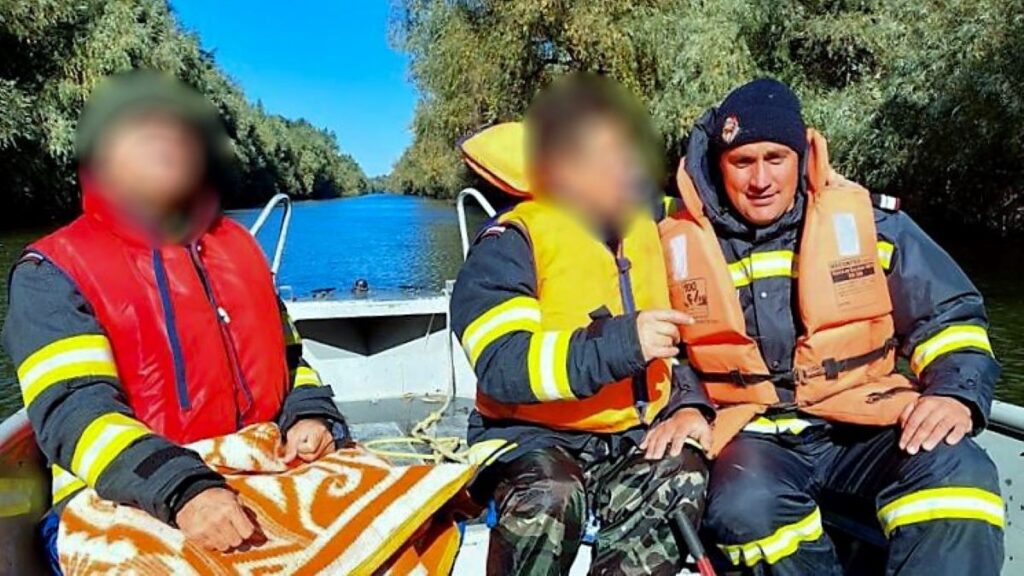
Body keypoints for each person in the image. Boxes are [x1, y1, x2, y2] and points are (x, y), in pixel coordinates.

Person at [1, 71, 348, 569]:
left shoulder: (240, 249)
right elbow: (73, 414)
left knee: (417, 526)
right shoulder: (52, 271)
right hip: (121, 498)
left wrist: (309, 415)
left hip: (262, 465)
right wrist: (184, 489)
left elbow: (292, 363)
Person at [660, 78, 1003, 574]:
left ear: (801, 157)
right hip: (754, 435)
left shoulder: (870, 222)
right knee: (745, 510)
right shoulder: (671, 242)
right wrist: (686, 404)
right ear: (719, 164)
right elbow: (659, 348)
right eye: (742, 162)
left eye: (775, 158)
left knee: (959, 476)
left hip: (865, 420)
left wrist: (954, 393)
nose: (761, 179)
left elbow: (950, 318)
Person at [450, 74, 713, 576]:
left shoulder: (647, 229)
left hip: (628, 434)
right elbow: (502, 364)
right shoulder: (510, 240)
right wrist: (622, 343)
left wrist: (688, 404)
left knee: (682, 471)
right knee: (552, 494)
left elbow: (679, 343)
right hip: (528, 437)